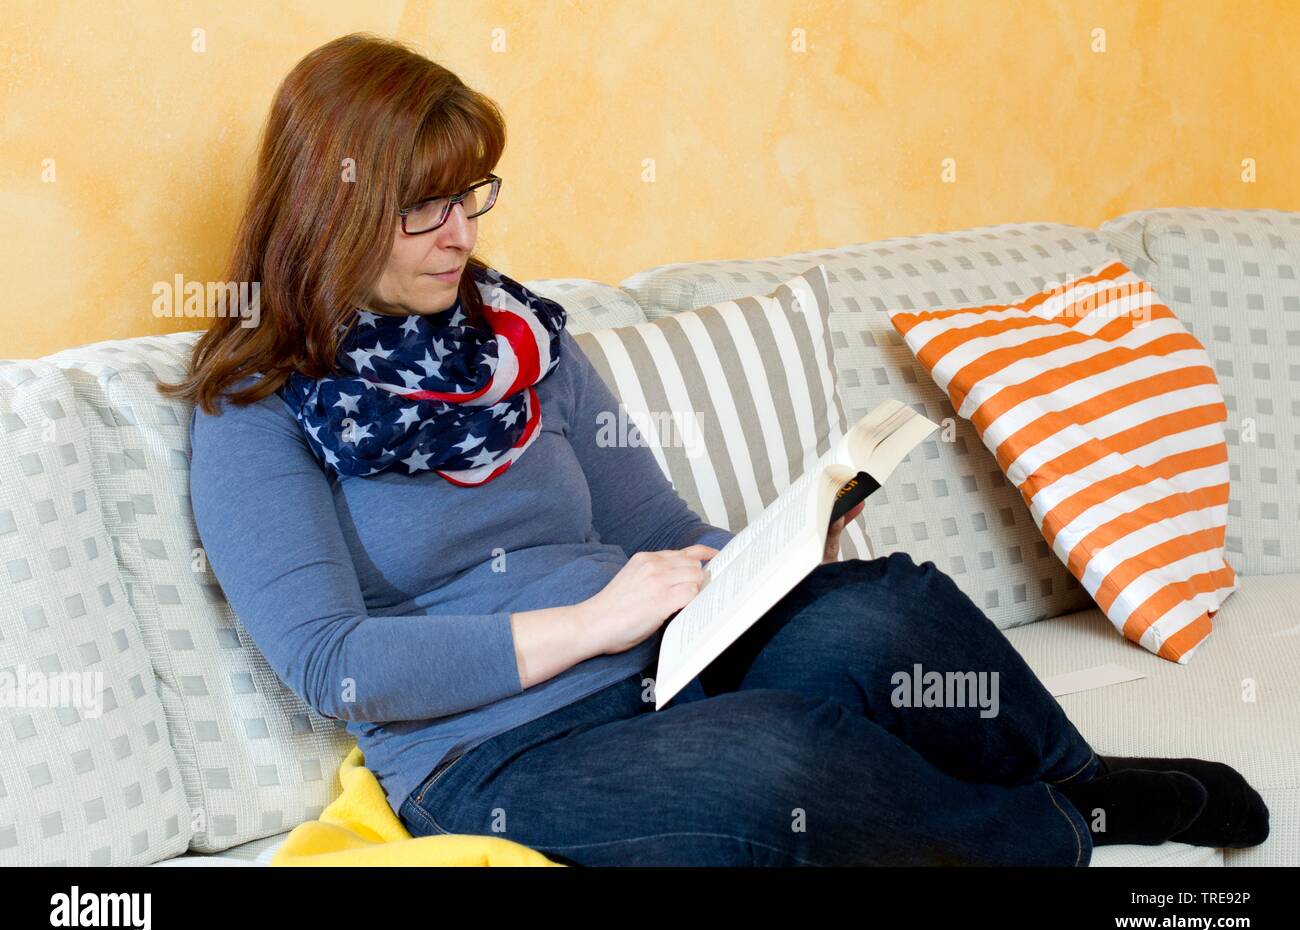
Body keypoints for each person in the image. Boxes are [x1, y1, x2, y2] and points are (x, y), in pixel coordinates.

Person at [164, 32, 1269, 866]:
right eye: (425, 210)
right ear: (330, 210)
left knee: (884, 605)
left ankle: (1083, 777)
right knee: (781, 762)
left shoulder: (514, 336)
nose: (463, 234)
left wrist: (772, 557)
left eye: (470, 197)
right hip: (497, 752)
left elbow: (655, 528)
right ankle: (1053, 835)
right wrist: (593, 621)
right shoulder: (258, 401)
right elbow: (332, 661)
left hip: (667, 660)